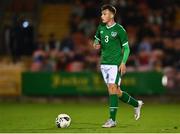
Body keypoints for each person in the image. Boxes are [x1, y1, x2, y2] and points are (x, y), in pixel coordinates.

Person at [93, 4, 144, 128]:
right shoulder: (101, 28)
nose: (102, 16)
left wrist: (123, 62)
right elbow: (96, 41)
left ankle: (112, 120)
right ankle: (136, 104)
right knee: (117, 92)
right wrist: (96, 44)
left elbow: (126, 48)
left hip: (115, 64)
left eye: (104, 14)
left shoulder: (120, 30)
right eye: (102, 14)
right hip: (104, 64)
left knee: (112, 88)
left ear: (112, 15)